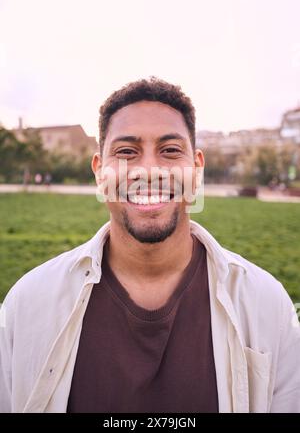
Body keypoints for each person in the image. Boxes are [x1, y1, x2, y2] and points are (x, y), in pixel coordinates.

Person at [0, 77, 299, 413]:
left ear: (196, 168)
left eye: (170, 150)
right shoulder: (26, 306)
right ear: (100, 171)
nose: (149, 169)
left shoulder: (268, 306)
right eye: (126, 152)